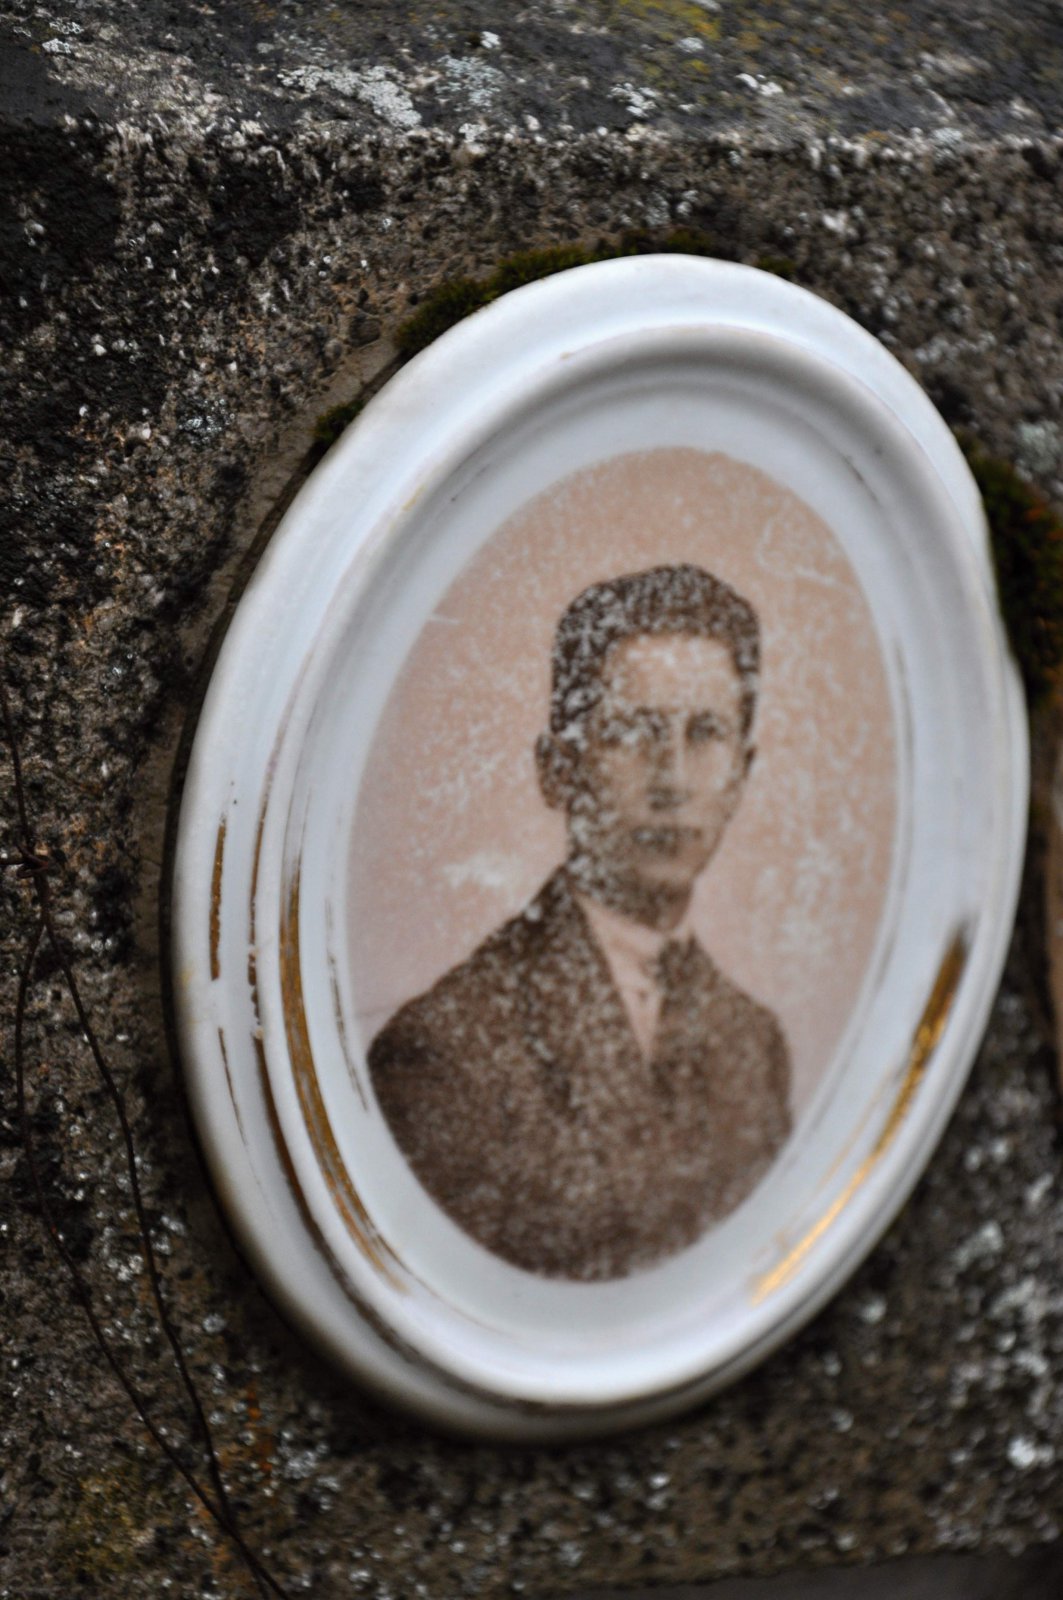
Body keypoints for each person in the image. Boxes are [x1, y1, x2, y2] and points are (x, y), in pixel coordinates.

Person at [368, 564, 792, 1280]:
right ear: (558, 769)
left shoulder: (755, 1044)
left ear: (741, 776)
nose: (672, 779)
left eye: (705, 733)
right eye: (632, 731)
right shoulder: (445, 1053)